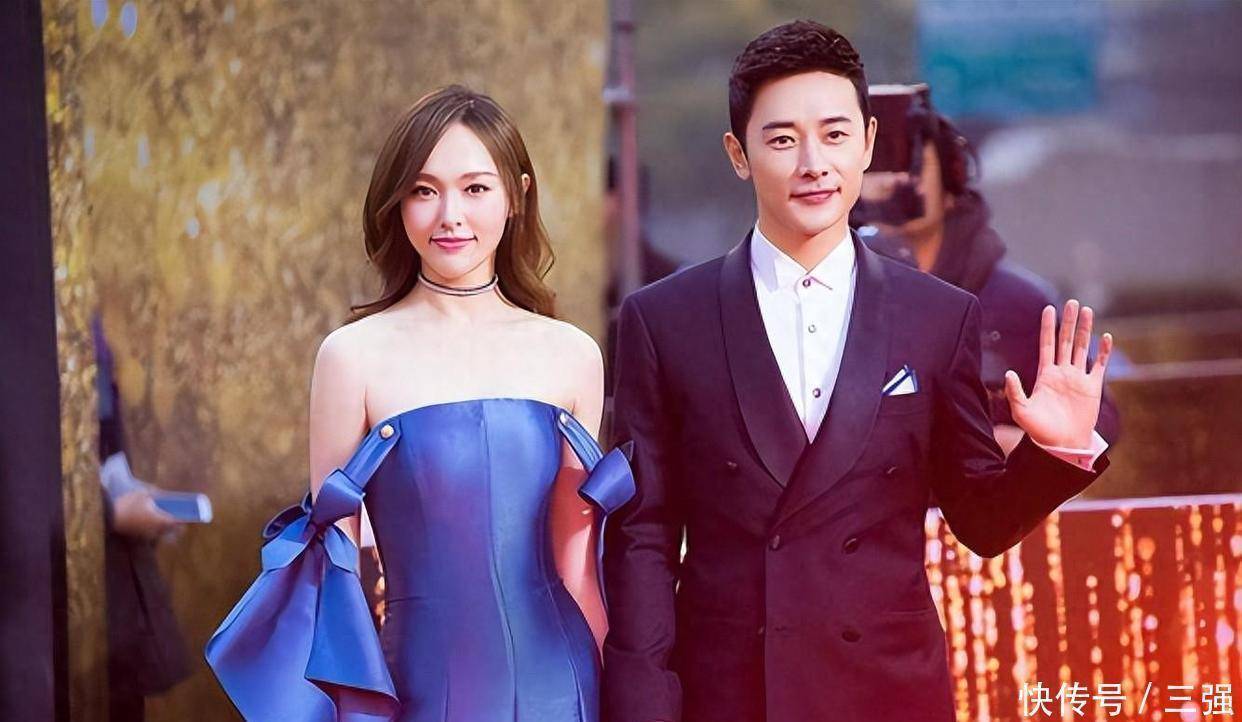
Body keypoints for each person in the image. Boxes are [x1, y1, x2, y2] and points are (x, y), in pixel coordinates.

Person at [602, 21, 1113, 722]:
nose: (813, 163)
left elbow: (982, 521)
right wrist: (641, 703)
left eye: (835, 134)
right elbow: (642, 539)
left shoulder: (939, 316)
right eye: (783, 139)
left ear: (868, 143)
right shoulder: (664, 319)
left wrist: (1056, 448)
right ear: (738, 154)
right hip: (730, 693)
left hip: (887, 691)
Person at [206, 86, 635, 722]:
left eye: (476, 188)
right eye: (424, 190)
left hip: (563, 679)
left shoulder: (571, 352)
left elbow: (578, 561)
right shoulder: (352, 355)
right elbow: (338, 568)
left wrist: (616, 693)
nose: (450, 215)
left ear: (517, 194)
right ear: (397, 203)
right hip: (419, 685)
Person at [855, 85, 1121, 453]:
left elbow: (1095, 419)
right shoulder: (825, 298)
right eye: (875, 162)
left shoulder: (1021, 304)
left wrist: (1031, 447)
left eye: (910, 162)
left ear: (951, 179)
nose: (894, 179)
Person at [93, 314, 191, 722]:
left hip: (114, 588)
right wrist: (111, 514)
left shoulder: (89, 326)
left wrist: (129, 494)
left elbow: (104, 438)